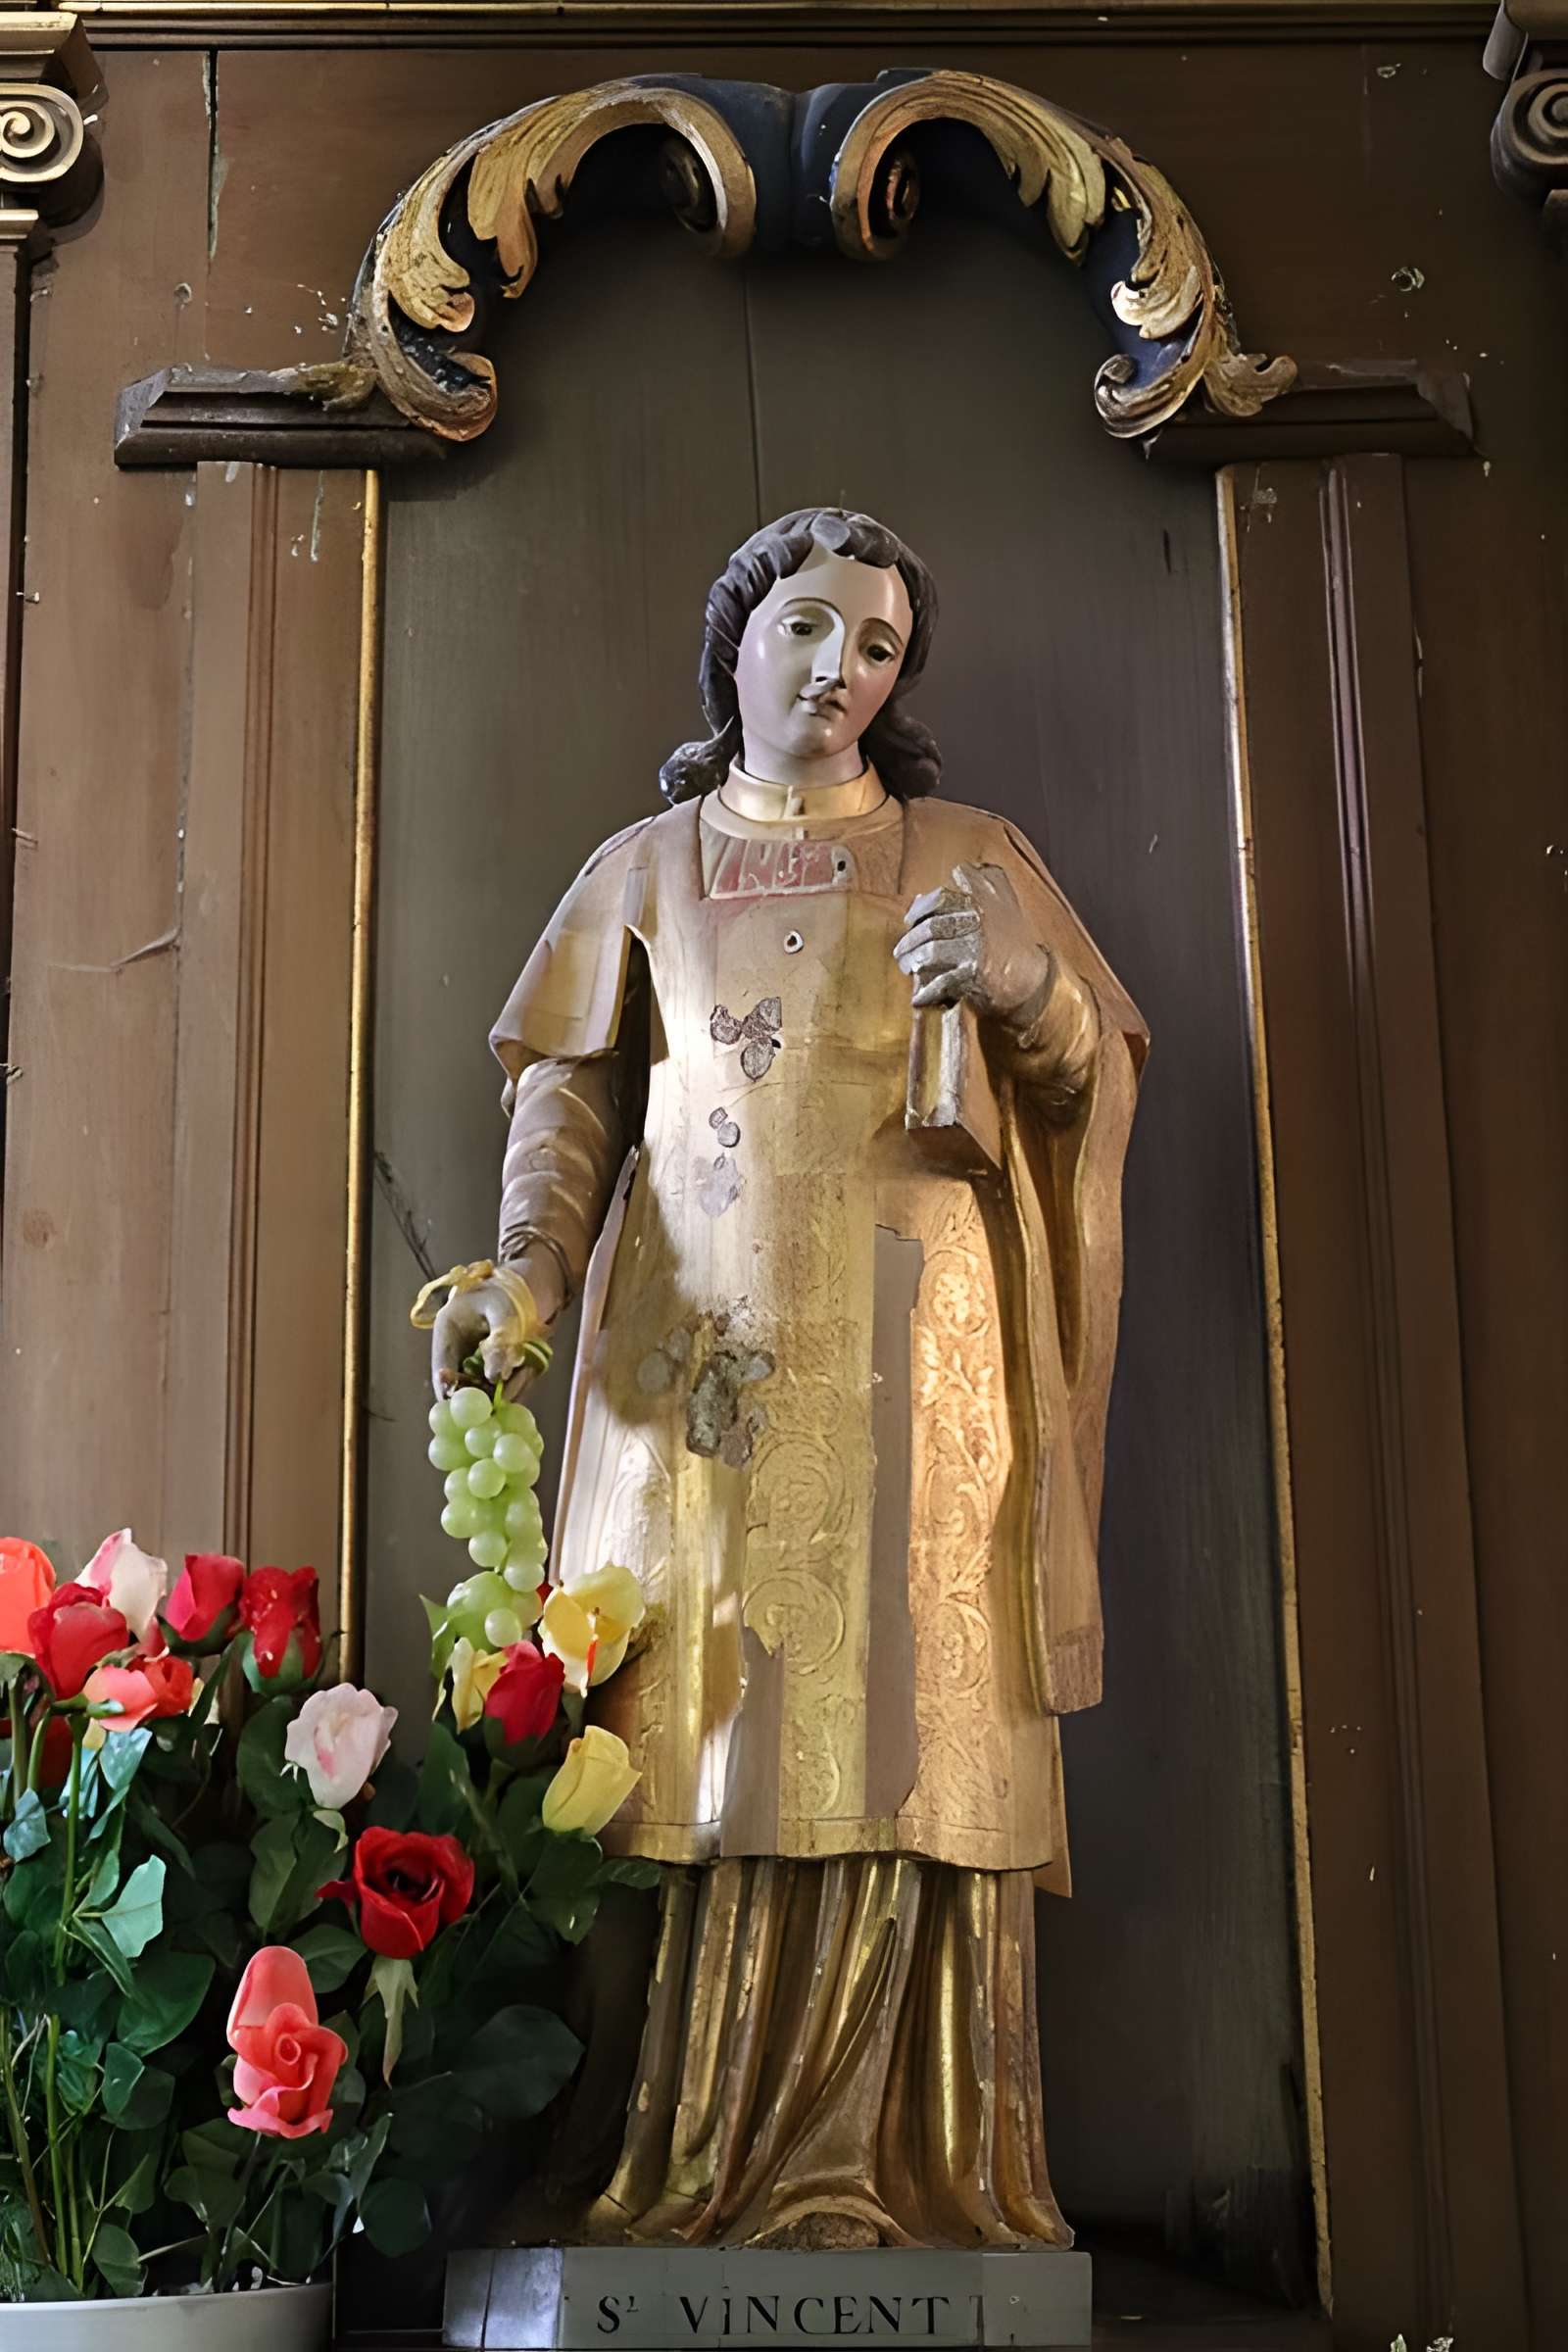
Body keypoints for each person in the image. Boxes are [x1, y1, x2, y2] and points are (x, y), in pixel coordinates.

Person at [430, 507, 1146, 2249]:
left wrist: (1028, 980)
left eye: (880, 647)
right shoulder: (644, 868)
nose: (842, 671)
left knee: (907, 1731)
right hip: (699, 1384)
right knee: (682, 1744)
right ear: (739, 637)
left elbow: (1094, 1080)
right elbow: (570, 1110)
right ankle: (668, 2158)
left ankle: (917, 2164)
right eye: (812, 627)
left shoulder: (969, 850)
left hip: (922, 1370)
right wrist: (523, 1284)